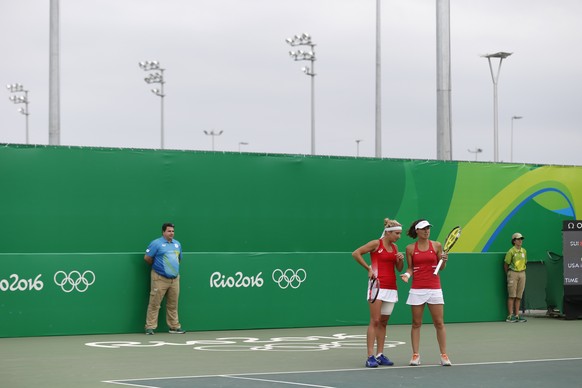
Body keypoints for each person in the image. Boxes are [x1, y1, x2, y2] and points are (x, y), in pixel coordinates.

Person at [352, 218, 404, 368]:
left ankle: (380, 355)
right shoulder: (376, 243)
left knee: (384, 322)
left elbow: (399, 269)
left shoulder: (395, 248)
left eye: (400, 234)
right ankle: (370, 356)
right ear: (388, 233)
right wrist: (369, 269)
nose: (398, 236)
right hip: (377, 287)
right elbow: (356, 253)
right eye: (396, 233)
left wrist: (400, 260)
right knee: (375, 320)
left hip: (391, 288)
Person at [400, 219, 452, 366]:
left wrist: (444, 260)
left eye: (428, 228)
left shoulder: (437, 245)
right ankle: (415, 355)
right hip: (417, 289)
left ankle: (444, 355)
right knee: (416, 323)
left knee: (439, 323)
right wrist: (407, 275)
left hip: (434, 288)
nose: (426, 230)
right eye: (423, 228)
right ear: (417, 231)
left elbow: (441, 267)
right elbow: (410, 268)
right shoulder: (410, 248)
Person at [144, 222, 185, 335]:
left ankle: (174, 326)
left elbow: (179, 259)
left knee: (173, 304)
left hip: (175, 280)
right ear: (163, 232)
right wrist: (159, 268)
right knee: (154, 303)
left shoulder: (177, 244)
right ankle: (150, 327)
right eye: (169, 231)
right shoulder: (156, 243)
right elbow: (147, 258)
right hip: (159, 278)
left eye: (172, 231)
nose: (171, 233)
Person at [504, 232, 527, 323]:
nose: (520, 241)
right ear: (514, 241)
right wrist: (509, 274)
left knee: (519, 296)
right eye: (518, 239)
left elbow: (525, 262)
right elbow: (506, 264)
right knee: (512, 296)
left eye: (521, 239)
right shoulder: (511, 251)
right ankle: (510, 316)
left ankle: (517, 315)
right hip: (512, 273)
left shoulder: (524, 251)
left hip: (522, 273)